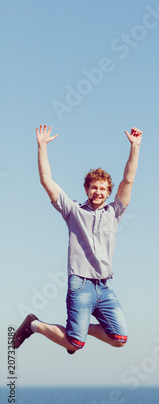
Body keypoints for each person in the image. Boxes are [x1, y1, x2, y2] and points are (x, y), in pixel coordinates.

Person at [12, 124, 142, 354]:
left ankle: (78, 329)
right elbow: (46, 181)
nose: (98, 192)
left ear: (108, 192)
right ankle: (34, 324)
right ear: (86, 189)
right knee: (75, 345)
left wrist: (135, 148)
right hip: (80, 284)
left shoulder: (114, 212)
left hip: (105, 286)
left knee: (120, 338)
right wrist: (41, 146)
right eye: (94, 188)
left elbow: (128, 180)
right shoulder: (72, 211)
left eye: (103, 189)